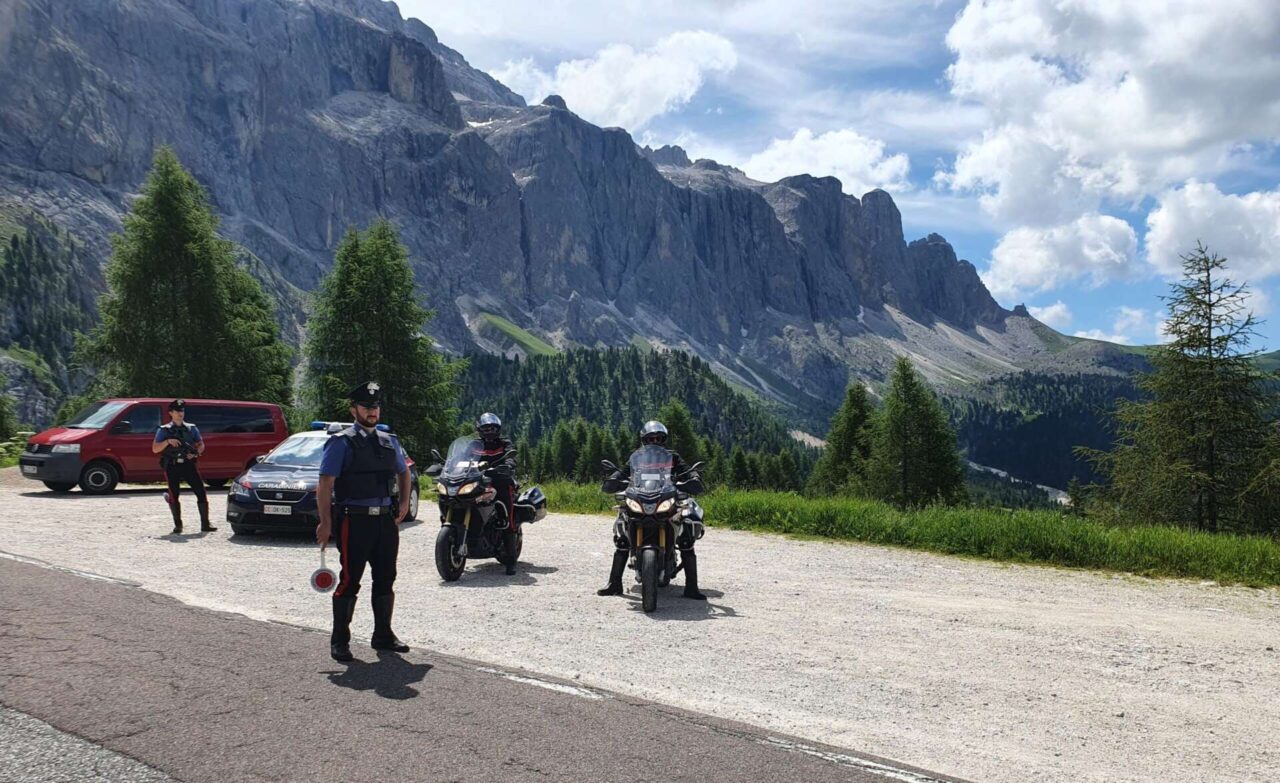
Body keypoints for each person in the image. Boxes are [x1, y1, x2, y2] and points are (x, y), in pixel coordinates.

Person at [316, 381, 413, 662]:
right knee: (350, 580)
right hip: (354, 521)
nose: (372, 412)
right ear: (353, 409)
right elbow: (325, 483)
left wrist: (405, 503)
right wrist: (325, 522)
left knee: (386, 578)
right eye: (367, 407)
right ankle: (340, 640)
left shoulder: (388, 441)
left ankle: (383, 635)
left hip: (384, 522)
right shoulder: (341, 442)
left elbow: (404, 472)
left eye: (376, 406)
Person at [597, 420, 706, 600]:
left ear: (664, 440)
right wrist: (614, 479)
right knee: (623, 531)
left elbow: (686, 471)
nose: (655, 441)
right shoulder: (637, 457)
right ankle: (614, 583)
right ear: (644, 440)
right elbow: (623, 473)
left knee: (686, 534)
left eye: (659, 438)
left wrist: (693, 477)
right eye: (651, 438)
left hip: (665, 496)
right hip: (642, 495)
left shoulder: (673, 457)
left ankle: (692, 587)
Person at [152, 399, 214, 535]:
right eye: (177, 411)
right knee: (174, 494)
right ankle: (178, 525)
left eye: (182, 411)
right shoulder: (164, 430)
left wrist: (196, 453)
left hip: (188, 464)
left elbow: (201, 444)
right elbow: (155, 449)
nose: (181, 413)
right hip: (172, 465)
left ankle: (205, 524)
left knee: (201, 491)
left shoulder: (191, 428)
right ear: (171, 413)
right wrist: (168, 441)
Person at [476, 412, 519, 575]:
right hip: (478, 482)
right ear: (480, 429)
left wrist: (508, 464)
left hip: (501, 481)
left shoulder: (504, 443)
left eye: (492, 428)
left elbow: (511, 456)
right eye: (486, 429)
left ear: (498, 429)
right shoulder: (474, 444)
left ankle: (511, 561)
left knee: (506, 516)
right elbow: (462, 457)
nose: (489, 432)